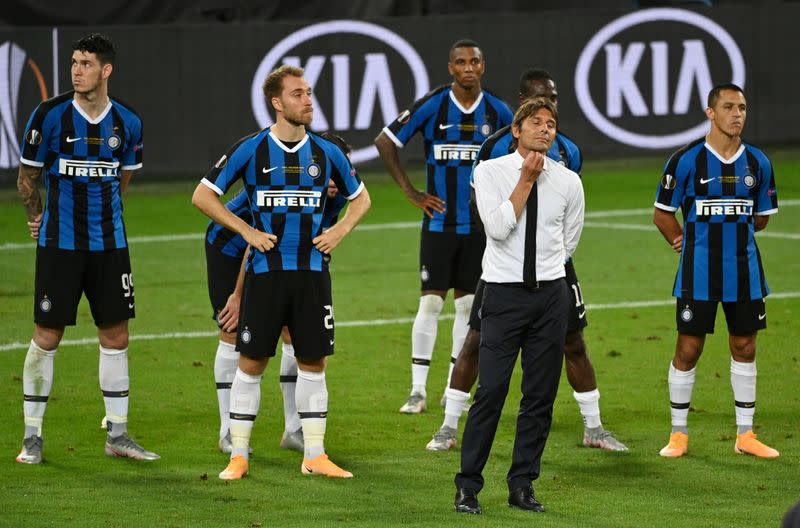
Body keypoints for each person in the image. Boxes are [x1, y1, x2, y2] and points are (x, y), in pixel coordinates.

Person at [428, 69, 627, 452]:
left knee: (574, 341)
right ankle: (449, 426)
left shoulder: (568, 151)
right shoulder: (493, 150)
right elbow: (481, 208)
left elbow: (570, 221)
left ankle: (594, 428)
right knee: (475, 341)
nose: (547, 111)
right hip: (502, 266)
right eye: (539, 103)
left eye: (553, 103)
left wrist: (550, 257)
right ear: (521, 106)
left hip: (553, 270)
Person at [192, 65, 370, 480]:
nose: (308, 100)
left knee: (313, 362)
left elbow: (362, 199)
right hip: (265, 273)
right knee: (250, 362)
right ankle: (238, 454)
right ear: (277, 102)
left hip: (311, 275)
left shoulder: (328, 154)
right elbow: (203, 196)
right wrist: (247, 231)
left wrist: (339, 231)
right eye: (298, 94)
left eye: (309, 93)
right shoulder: (251, 149)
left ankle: (314, 454)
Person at [14, 33, 159, 463]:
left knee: (116, 335)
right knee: (47, 335)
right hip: (59, 245)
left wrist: (105, 216)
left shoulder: (128, 122)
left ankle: (118, 435)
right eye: (74, 63)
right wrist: (34, 215)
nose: (77, 70)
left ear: (106, 70)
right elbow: (28, 176)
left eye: (86, 63)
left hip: (110, 245)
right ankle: (32, 437)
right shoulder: (49, 115)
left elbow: (122, 181)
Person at [454, 98, 584, 515]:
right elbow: (496, 228)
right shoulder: (490, 172)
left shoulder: (568, 181)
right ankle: (467, 487)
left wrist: (549, 276)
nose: (544, 130)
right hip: (503, 295)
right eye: (535, 123)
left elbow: (570, 241)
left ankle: (522, 485)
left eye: (550, 124)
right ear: (516, 130)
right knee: (491, 391)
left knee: (540, 396)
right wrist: (526, 181)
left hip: (550, 296)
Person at [375, 39, 513, 414]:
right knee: (431, 304)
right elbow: (385, 141)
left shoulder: (499, 111)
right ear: (450, 68)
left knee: (468, 307)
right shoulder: (433, 105)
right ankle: (417, 391)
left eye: (475, 61)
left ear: (483, 66)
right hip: (437, 225)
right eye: (461, 62)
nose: (468, 68)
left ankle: (455, 390)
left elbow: (518, 158)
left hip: (477, 229)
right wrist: (411, 192)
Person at [653, 83, 779, 459]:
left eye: (742, 107)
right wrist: (682, 242)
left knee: (745, 345)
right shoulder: (686, 160)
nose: (737, 114)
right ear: (711, 112)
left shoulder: (759, 163)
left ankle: (746, 434)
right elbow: (662, 213)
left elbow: (761, 219)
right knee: (688, 348)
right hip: (698, 272)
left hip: (745, 270)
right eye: (728, 107)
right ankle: (678, 434)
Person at [204, 133, 349, 455]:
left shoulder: (336, 194)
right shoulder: (295, 181)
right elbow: (255, 246)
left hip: (271, 252)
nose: (337, 180)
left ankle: (293, 429)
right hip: (230, 245)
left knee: (291, 330)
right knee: (232, 329)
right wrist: (239, 295)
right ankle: (228, 430)